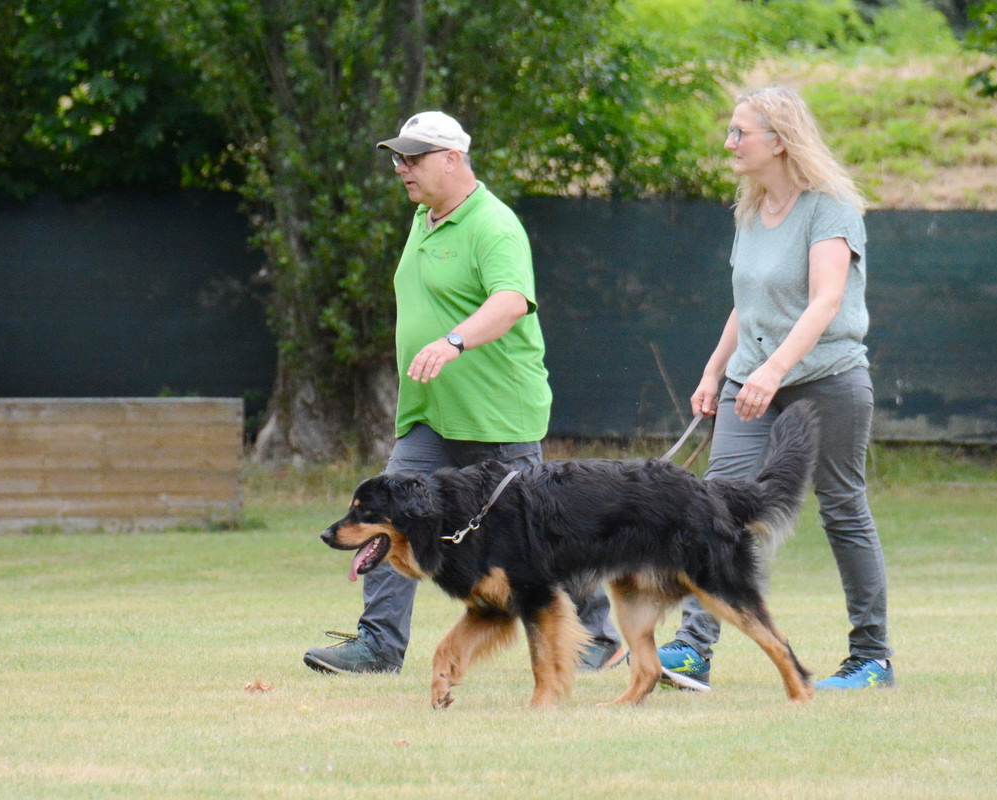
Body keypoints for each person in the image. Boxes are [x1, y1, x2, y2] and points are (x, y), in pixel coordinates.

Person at [304, 111, 622, 676]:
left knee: (541, 531)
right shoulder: (426, 218)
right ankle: (378, 645)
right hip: (429, 414)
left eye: (414, 158)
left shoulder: (493, 225)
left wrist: (452, 342)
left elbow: (510, 302)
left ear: (453, 160)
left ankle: (598, 637)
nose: (402, 169)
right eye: (398, 158)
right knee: (384, 515)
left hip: (496, 415)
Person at [656, 87, 894, 692]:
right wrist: (716, 372)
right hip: (750, 378)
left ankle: (872, 658)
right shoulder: (750, 209)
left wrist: (772, 371)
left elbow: (826, 301)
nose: (729, 143)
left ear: (780, 141)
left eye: (740, 133)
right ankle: (692, 649)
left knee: (842, 509)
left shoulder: (830, 208)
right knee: (713, 506)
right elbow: (747, 307)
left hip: (828, 378)